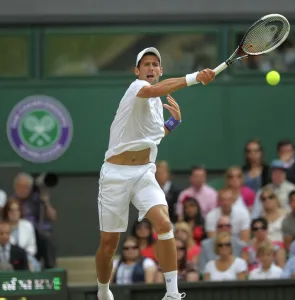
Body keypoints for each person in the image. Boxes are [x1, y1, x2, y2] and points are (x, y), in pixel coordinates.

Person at [95, 47, 215, 300]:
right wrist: (194, 78)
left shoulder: (158, 106)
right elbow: (157, 90)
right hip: (115, 175)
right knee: (108, 245)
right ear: (137, 71)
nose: (150, 68)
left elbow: (154, 136)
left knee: (164, 223)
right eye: (145, 64)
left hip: (144, 173)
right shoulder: (136, 88)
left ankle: (172, 294)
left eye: (155, 65)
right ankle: (103, 292)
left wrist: (173, 123)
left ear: (160, 71)